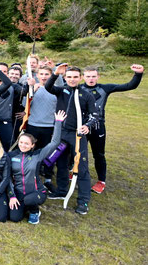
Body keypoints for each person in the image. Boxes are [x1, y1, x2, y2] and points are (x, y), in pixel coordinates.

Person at [44, 65, 99, 215]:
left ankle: (83, 201)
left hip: (77, 135)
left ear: (80, 78)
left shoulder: (87, 95)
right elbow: (48, 87)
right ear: (65, 78)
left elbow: (95, 115)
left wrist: (87, 126)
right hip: (61, 133)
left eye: (75, 77)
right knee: (60, 163)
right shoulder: (61, 90)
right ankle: (61, 191)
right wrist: (55, 74)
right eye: (69, 77)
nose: (72, 79)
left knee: (81, 167)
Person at [82, 64, 143, 194]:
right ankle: (76, 172)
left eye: (93, 76)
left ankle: (101, 181)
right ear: (83, 77)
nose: (91, 79)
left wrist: (138, 74)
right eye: (88, 76)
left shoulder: (105, 88)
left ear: (98, 76)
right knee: (79, 152)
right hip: (82, 127)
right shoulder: (78, 88)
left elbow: (129, 86)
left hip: (98, 127)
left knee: (99, 155)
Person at [8, 111, 66, 224]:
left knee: (29, 200)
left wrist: (58, 122)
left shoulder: (38, 155)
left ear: (32, 145)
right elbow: (8, 177)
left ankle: (34, 212)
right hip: (19, 193)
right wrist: (12, 196)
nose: (23, 145)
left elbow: (55, 142)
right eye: (21, 142)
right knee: (14, 218)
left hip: (36, 192)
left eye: (26, 144)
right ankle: (25, 206)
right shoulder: (11, 155)